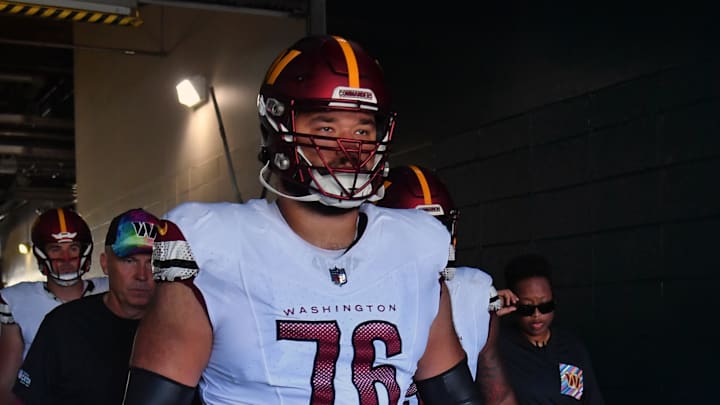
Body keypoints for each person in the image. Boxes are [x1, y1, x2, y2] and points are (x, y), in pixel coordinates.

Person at [122, 35, 482, 405]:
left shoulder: (417, 243)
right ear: (278, 128)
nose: (349, 149)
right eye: (327, 128)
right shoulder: (215, 245)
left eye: (362, 130)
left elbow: (452, 393)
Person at [376, 164, 518, 405]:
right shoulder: (349, 287)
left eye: (438, 227)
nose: (430, 242)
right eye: (416, 231)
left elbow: (499, 394)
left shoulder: (475, 290)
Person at [11, 208, 160, 404]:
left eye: (152, 262)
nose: (142, 275)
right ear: (105, 264)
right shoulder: (63, 326)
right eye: (129, 260)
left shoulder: (183, 327)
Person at [0, 207, 109, 404]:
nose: (66, 259)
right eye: (56, 248)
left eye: (73, 248)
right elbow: (6, 385)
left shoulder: (110, 291)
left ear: (85, 250)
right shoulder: (17, 301)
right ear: (42, 253)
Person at [498, 253, 605, 404]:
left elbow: (590, 398)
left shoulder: (571, 347)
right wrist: (488, 311)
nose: (537, 315)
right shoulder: (499, 345)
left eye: (545, 306)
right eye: (527, 308)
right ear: (513, 304)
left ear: (554, 302)